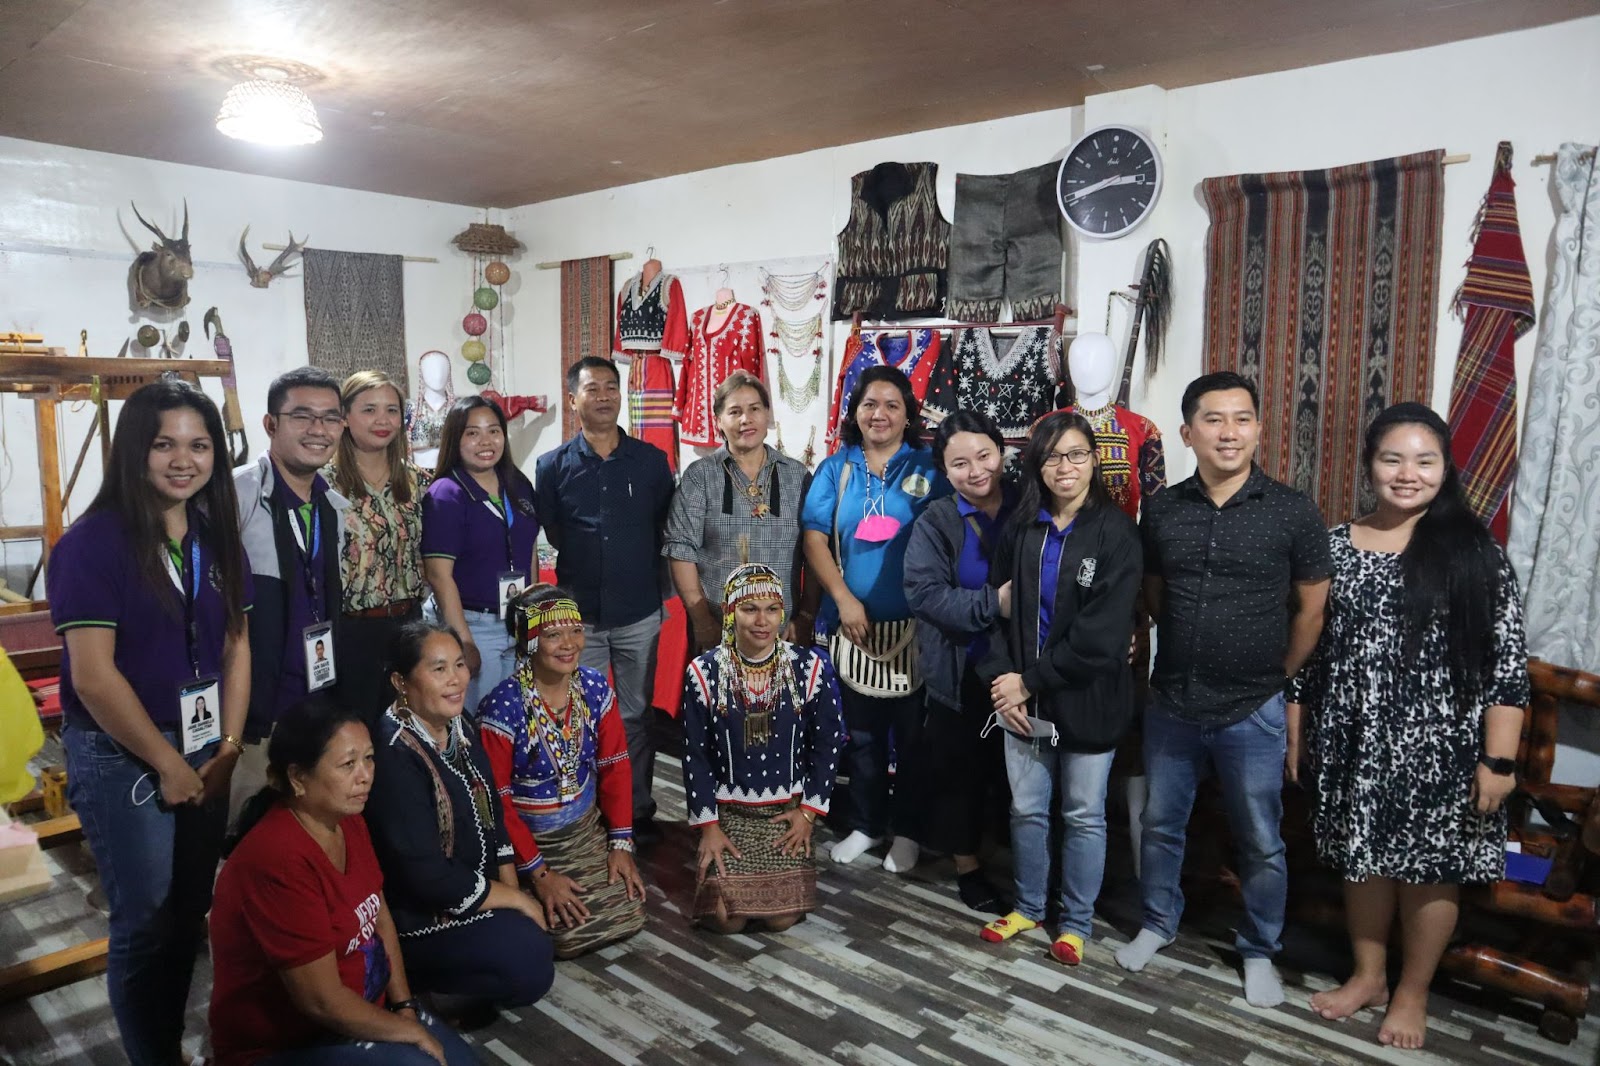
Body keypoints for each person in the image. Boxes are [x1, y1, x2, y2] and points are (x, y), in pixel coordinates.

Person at [1292, 403, 1529, 1049]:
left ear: (1445, 469)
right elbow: (1311, 650)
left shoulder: (1475, 553)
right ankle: (1368, 976)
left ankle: (1412, 992)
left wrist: (1499, 762)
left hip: (1441, 751)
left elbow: (1505, 667)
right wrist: (1299, 731)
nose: (1407, 473)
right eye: (1392, 459)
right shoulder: (1336, 545)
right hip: (1353, 740)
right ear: (1370, 465)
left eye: (1424, 461)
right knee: (1361, 860)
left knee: (1429, 872)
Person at [48, 377, 251, 1066]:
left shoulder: (213, 536)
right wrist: (167, 765)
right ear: (134, 450)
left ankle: (166, 1043)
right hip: (125, 754)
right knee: (145, 921)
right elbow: (93, 676)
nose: (183, 460)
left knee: (187, 911)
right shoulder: (92, 544)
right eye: (165, 444)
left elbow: (237, 645)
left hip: (204, 744)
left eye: (199, 445)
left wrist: (229, 745)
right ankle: (155, 1056)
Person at [1115, 372, 1332, 1010]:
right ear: (1188, 433)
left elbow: (1311, 612)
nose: (1229, 432)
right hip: (1173, 703)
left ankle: (1260, 948)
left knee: (1261, 838)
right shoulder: (1162, 510)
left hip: (1253, 708)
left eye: (1242, 418)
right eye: (1213, 419)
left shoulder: (1293, 511)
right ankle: (1158, 921)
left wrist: (1276, 676)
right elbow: (1154, 594)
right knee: (1161, 825)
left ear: (1259, 428)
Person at [209, 698, 478, 1065]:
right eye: (348, 764)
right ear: (297, 778)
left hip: (357, 1010)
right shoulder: (279, 859)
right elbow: (321, 1002)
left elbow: (379, 916)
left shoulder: (348, 820)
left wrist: (404, 1006)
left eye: (369, 758)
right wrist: (410, 1033)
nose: (365, 775)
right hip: (287, 1044)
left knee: (461, 1061)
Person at [976, 411, 1142, 965]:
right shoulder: (1023, 528)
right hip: (1021, 702)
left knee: (1083, 814)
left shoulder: (1116, 534)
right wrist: (1004, 682)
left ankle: (1074, 923)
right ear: (1036, 466)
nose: (1064, 466)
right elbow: (997, 610)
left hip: (1088, 700)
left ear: (1094, 461)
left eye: (1075, 454)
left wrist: (1027, 682)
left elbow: (1102, 638)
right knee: (1027, 810)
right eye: (1051, 457)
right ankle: (1027, 906)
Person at [365, 621, 555, 1020]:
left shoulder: (458, 723)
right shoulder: (394, 754)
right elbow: (427, 876)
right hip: (423, 912)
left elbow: (493, 816)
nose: (455, 680)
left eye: (459, 665)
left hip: (478, 891)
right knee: (527, 961)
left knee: (544, 931)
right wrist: (516, 900)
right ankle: (418, 980)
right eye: (439, 669)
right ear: (400, 681)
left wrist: (513, 897)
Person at [801, 364, 950, 870]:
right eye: (869, 404)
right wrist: (843, 599)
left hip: (917, 630)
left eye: (891, 405)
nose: (879, 414)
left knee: (913, 740)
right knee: (862, 738)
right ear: (855, 413)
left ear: (908, 415)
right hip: (852, 627)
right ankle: (866, 825)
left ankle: (907, 832)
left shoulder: (930, 468)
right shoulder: (835, 469)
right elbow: (814, 539)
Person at [535, 356, 674, 840]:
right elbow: (554, 531)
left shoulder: (651, 462)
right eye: (592, 388)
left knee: (635, 716)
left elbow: (663, 526)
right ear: (573, 399)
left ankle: (636, 808)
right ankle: (589, 810)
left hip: (638, 613)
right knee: (582, 716)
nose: (604, 396)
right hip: (580, 620)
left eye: (612, 387)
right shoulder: (552, 466)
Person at [478, 585, 647, 957]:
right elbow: (496, 802)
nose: (569, 644)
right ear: (528, 642)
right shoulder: (503, 708)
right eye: (553, 635)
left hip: (583, 829)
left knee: (629, 913)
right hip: (529, 843)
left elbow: (616, 765)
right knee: (566, 938)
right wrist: (540, 874)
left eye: (576, 630)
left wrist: (620, 844)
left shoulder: (594, 688)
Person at [681, 564, 847, 933]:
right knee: (725, 921)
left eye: (772, 609)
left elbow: (829, 743)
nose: (762, 621)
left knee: (781, 919)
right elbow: (696, 755)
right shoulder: (704, 672)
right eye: (749, 609)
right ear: (730, 612)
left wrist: (808, 813)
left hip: (786, 811)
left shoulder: (809, 667)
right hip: (729, 813)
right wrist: (708, 827)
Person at [901, 410, 1014, 914]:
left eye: (984, 455)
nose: (976, 470)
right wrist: (994, 604)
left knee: (1015, 775)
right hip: (961, 668)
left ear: (1001, 451)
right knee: (959, 772)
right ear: (945, 471)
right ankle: (967, 866)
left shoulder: (1029, 504)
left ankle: (1019, 860)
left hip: (1023, 670)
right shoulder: (936, 522)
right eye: (960, 463)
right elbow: (925, 594)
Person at [233, 366, 350, 826]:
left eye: (330, 417)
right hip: (255, 712)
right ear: (270, 424)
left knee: (302, 831)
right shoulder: (237, 495)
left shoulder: (331, 505)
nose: (318, 429)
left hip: (312, 704)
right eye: (302, 416)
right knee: (244, 831)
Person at [665, 370, 816, 652]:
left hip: (784, 633)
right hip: (717, 631)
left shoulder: (797, 476)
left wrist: (806, 617)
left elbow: (815, 549)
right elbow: (681, 550)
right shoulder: (700, 476)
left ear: (767, 414)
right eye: (735, 412)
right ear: (718, 421)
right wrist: (702, 622)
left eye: (754, 409)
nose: (746, 419)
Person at [326, 370, 431, 724]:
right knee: (358, 730)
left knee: (410, 727)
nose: (383, 420)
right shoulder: (325, 483)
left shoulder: (417, 481)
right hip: (352, 631)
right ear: (344, 416)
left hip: (410, 624)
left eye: (392, 410)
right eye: (369, 410)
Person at [422, 397, 538, 714]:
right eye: (472, 433)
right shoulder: (447, 494)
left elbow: (529, 550)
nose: (486, 441)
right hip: (474, 624)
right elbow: (438, 575)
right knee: (479, 719)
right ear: (455, 439)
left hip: (517, 620)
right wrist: (463, 642)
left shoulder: (517, 484)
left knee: (514, 717)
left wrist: (532, 616)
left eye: (494, 431)